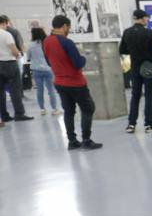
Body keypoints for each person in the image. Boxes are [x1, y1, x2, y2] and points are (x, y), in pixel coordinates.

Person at [43, 15, 102, 150]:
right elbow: (78, 64)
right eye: (68, 27)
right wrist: (83, 58)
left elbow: (48, 62)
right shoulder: (67, 42)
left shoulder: (46, 41)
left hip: (59, 82)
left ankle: (72, 141)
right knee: (88, 108)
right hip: (75, 83)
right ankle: (86, 140)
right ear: (64, 26)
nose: (68, 30)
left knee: (69, 111)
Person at [119, 9, 152, 133]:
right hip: (148, 67)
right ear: (143, 18)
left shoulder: (127, 32)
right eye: (146, 18)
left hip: (135, 67)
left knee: (135, 95)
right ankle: (148, 123)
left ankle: (131, 124)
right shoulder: (149, 33)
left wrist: (134, 51)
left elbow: (122, 50)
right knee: (149, 95)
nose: (147, 20)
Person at [0, 15, 31, 122]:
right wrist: (19, 54)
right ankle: (19, 114)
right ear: (5, 23)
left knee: (1, 92)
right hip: (9, 64)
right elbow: (14, 50)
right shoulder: (6, 34)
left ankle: (4, 115)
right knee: (15, 90)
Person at [28, 27, 61, 116]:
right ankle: (55, 109)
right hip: (48, 69)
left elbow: (28, 57)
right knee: (51, 90)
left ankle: (42, 109)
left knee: (39, 90)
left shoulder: (31, 45)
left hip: (36, 70)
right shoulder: (47, 43)